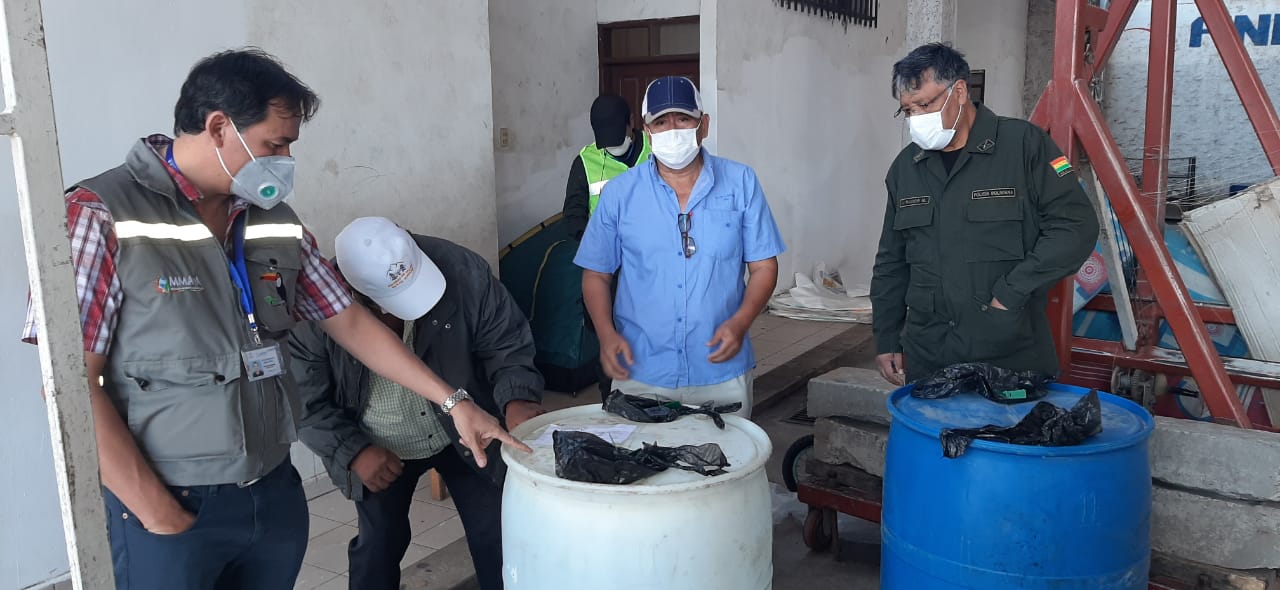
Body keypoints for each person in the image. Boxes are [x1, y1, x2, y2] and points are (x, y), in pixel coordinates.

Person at [20, 49, 526, 590]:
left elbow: (350, 322)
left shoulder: (272, 222)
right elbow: (69, 385)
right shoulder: (99, 215)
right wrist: (154, 510)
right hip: (171, 499)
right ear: (219, 127)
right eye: (275, 144)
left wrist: (453, 402)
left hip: (270, 488)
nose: (285, 160)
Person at [291, 217, 545, 590]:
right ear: (354, 294)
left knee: (498, 530)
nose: (408, 312)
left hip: (468, 432)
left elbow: (506, 342)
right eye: (389, 306)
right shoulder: (316, 311)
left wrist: (517, 399)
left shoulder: (461, 270)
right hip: (377, 443)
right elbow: (302, 399)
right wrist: (352, 451)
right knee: (379, 545)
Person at [870, 43, 1099, 386]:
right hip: (929, 352)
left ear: (959, 92)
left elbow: (1075, 227)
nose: (916, 119)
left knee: (1010, 423)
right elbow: (891, 261)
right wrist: (886, 336)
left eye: (925, 105)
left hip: (1008, 349)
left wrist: (1011, 293)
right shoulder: (906, 168)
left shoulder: (1024, 146)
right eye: (907, 110)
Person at [574, 76, 785, 418]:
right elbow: (596, 274)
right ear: (647, 131)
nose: (672, 130)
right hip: (640, 370)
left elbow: (764, 266)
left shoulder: (741, 183)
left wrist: (741, 322)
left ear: (704, 125)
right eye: (661, 122)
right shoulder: (620, 194)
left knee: (728, 452)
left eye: (683, 118)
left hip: (721, 370)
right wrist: (606, 334)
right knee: (641, 453)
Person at [563, 94, 651, 239]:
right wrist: (595, 241)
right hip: (606, 246)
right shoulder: (585, 162)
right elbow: (573, 216)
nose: (613, 145)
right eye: (607, 140)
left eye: (617, 137)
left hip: (653, 244)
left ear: (631, 121)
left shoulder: (655, 148)